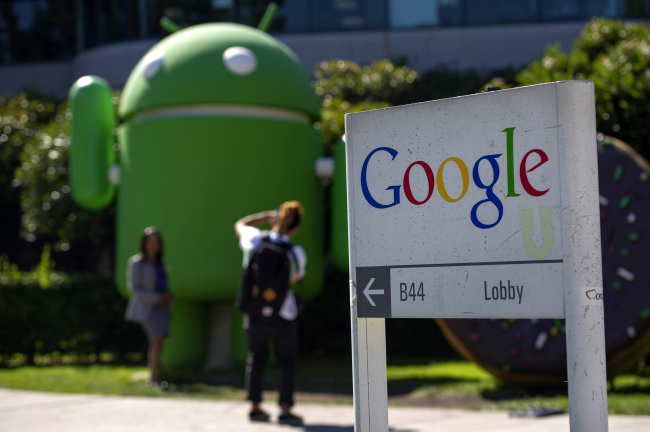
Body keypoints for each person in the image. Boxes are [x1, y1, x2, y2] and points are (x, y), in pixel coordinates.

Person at [235, 201, 307, 424]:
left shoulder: (255, 240)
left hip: (255, 311)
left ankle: (255, 407)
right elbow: (295, 277)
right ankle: (284, 409)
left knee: (256, 358)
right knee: (286, 360)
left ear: (274, 220)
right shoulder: (296, 252)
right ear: (295, 228)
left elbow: (240, 224)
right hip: (283, 313)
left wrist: (264, 215)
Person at [124, 227, 172, 387]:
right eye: (150, 241)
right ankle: (153, 378)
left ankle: (156, 376)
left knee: (159, 342)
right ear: (144, 243)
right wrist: (157, 298)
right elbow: (134, 288)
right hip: (147, 307)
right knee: (156, 340)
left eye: (156, 241)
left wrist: (167, 296)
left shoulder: (161, 263)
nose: (153, 244)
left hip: (162, 307)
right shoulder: (137, 262)